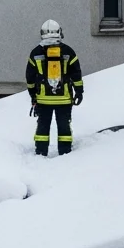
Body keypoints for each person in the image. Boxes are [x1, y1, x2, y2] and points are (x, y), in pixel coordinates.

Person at [26, 19, 84, 156]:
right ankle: (65, 153)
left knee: (43, 126)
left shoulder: (35, 53)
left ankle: (41, 153)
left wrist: (33, 95)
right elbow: (76, 74)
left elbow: (30, 77)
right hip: (64, 99)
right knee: (64, 126)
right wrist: (79, 92)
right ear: (59, 32)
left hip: (43, 99)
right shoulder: (68, 51)